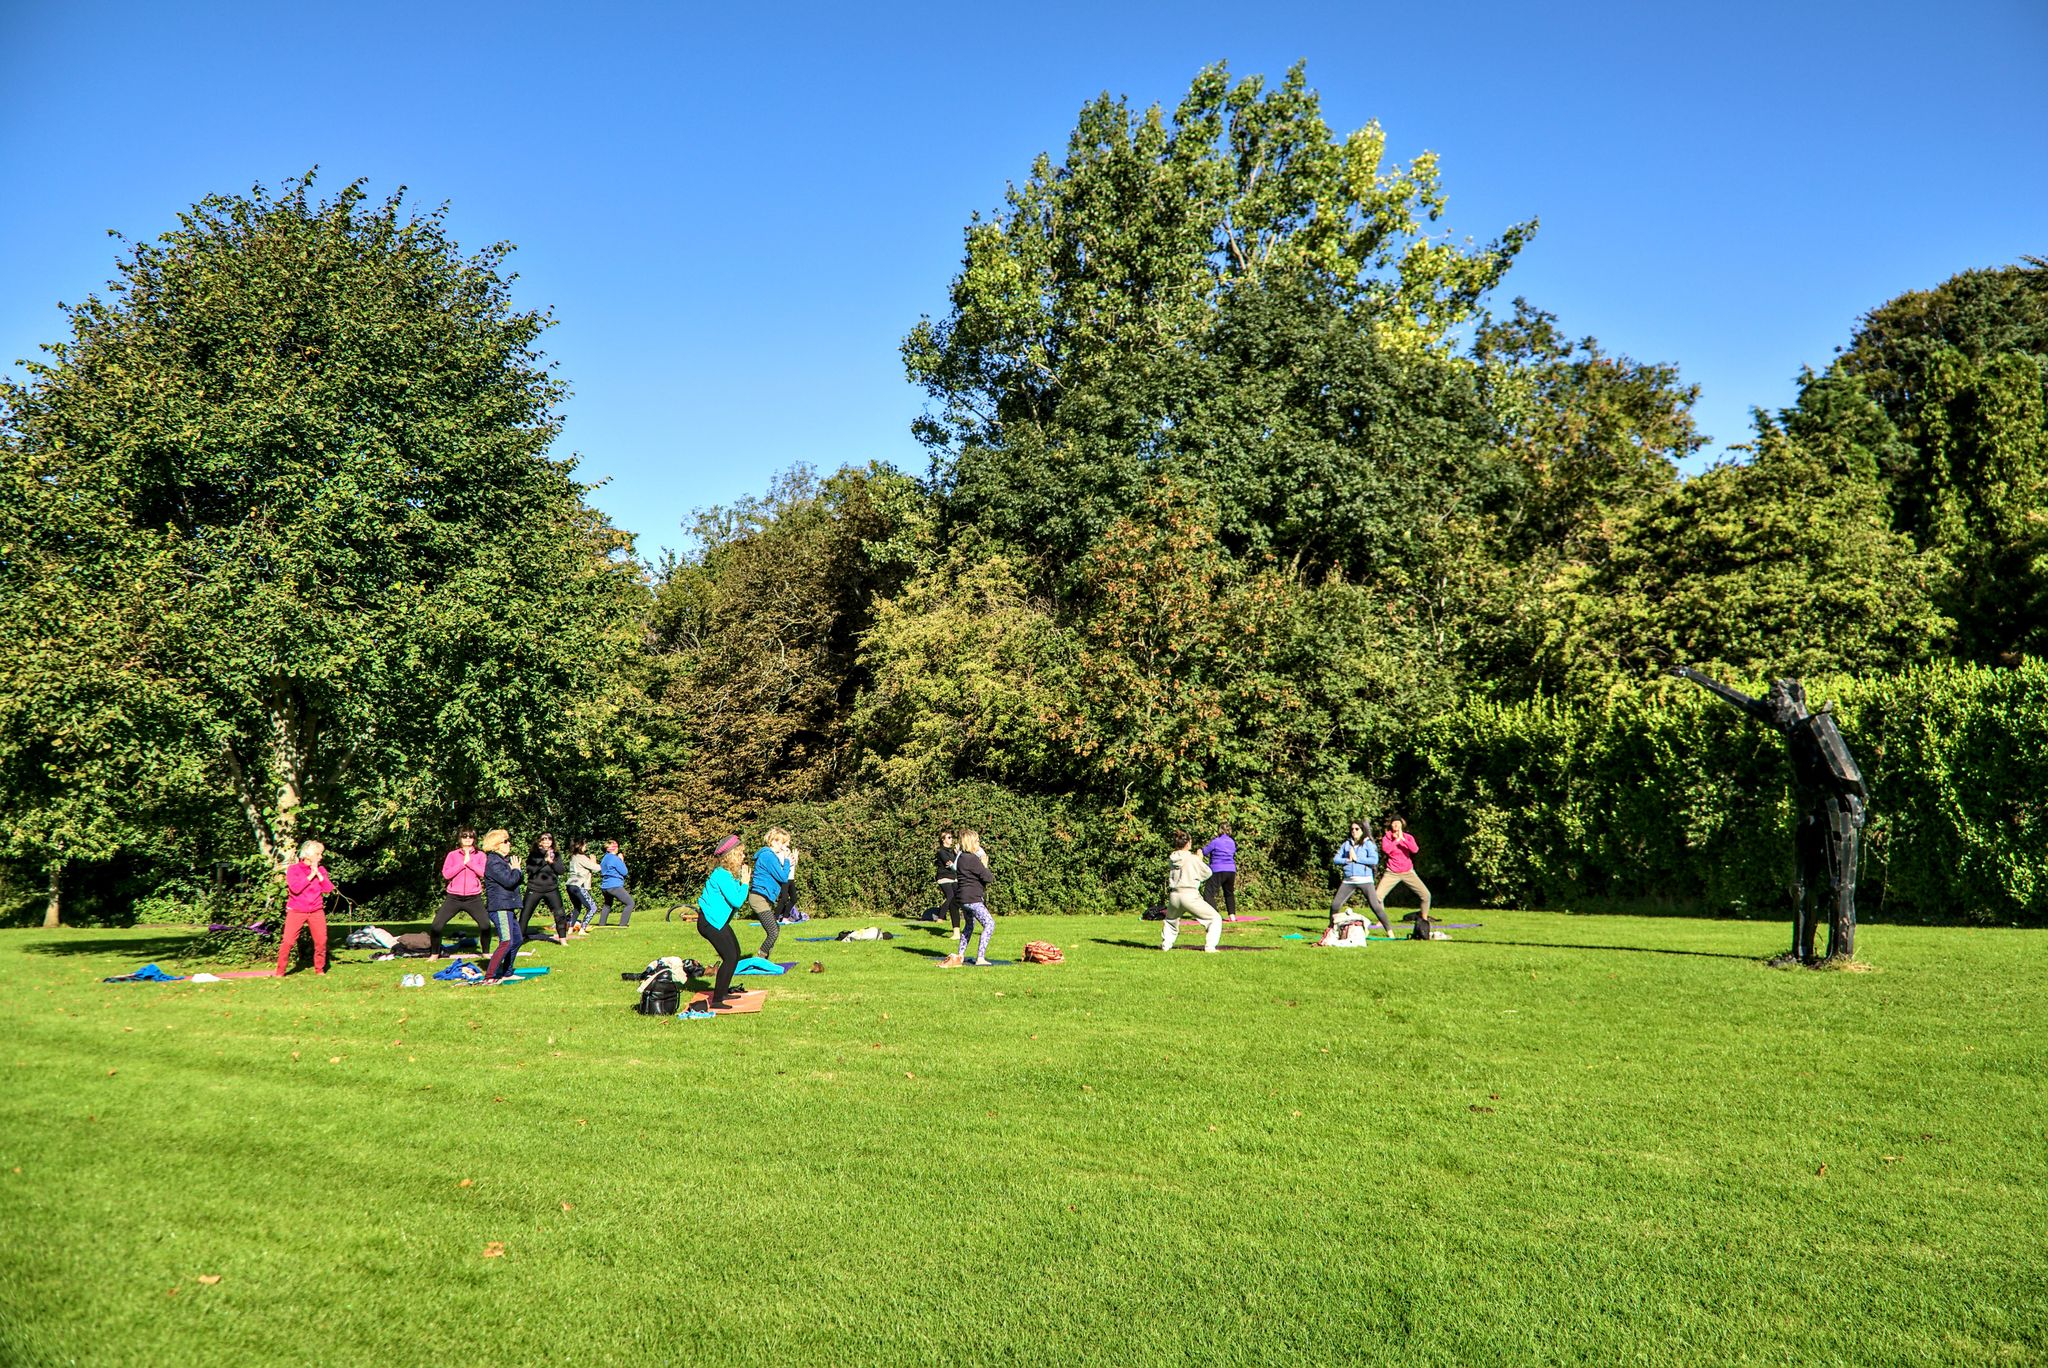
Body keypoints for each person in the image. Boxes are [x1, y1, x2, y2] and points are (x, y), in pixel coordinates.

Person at [693, 835, 752, 1005]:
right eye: (740, 854)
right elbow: (738, 900)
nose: (743, 857)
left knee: (735, 954)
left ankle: (723, 992)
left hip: (718, 921)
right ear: (731, 856)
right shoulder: (722, 875)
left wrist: (741, 880)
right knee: (730, 957)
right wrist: (745, 882)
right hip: (710, 922)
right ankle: (718, 999)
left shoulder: (728, 875)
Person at [276, 839, 335, 976]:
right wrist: (311, 875)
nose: (321, 857)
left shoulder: (321, 869)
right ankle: (280, 971)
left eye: (321, 854)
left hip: (316, 910)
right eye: (318, 854)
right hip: (296, 910)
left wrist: (318, 874)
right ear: (308, 855)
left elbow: (327, 888)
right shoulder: (293, 869)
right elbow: (295, 888)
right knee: (288, 941)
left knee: (321, 941)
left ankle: (319, 969)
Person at [432, 828, 490, 957]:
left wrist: (470, 862)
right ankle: (434, 954)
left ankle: (485, 952)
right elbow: (446, 874)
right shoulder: (452, 855)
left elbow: (483, 873)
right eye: (465, 837)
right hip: (454, 898)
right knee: (436, 925)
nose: (468, 839)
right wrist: (462, 864)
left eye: (470, 837)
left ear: (474, 839)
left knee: (485, 925)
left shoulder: (480, 855)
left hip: (473, 898)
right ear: (460, 839)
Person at [1162, 830, 1222, 952]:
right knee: (1215, 919)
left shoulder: (1172, 858)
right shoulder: (1193, 859)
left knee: (1170, 921)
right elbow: (1208, 873)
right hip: (1189, 894)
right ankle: (1210, 947)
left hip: (1174, 895)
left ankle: (1165, 946)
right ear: (1188, 843)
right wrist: (1199, 859)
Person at [1331, 821, 1393, 937]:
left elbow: (1374, 860)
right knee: (1335, 905)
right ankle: (1331, 930)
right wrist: (1347, 860)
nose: (1354, 831)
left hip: (1365, 880)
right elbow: (1336, 859)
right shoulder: (1346, 844)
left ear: (1362, 831)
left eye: (1357, 829)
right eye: (1352, 829)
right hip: (1349, 880)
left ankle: (1390, 931)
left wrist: (1357, 859)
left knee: (1376, 906)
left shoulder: (1368, 844)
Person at [479, 828, 526, 983]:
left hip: (508, 906)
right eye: (505, 841)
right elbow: (509, 881)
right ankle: (490, 977)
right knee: (506, 941)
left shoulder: (502, 861)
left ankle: (508, 972)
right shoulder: (493, 862)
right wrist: (517, 870)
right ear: (496, 845)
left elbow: (516, 879)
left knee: (517, 939)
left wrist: (517, 872)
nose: (509, 844)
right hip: (500, 907)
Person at [943, 830, 996, 966]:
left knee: (969, 926)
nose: (979, 843)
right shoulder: (973, 859)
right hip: (973, 899)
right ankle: (980, 958)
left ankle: (960, 955)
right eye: (977, 841)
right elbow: (988, 877)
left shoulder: (960, 858)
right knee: (989, 924)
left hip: (962, 899)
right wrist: (985, 864)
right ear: (971, 842)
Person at [1376, 816, 1435, 937]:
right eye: (1394, 824)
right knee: (1377, 897)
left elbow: (1415, 849)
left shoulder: (1408, 837)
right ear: (1391, 825)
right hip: (1392, 872)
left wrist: (1403, 840)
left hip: (1408, 871)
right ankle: (1382, 920)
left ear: (1402, 825)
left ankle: (1423, 920)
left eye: (1398, 823)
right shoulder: (1387, 837)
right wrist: (1395, 841)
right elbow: (1386, 850)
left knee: (1426, 895)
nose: (1396, 826)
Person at [746, 827, 796, 960]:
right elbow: (783, 877)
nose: (783, 846)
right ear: (773, 841)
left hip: (762, 898)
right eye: (781, 842)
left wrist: (787, 863)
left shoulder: (768, 855)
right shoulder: (768, 855)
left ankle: (764, 960)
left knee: (773, 930)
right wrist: (786, 861)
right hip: (759, 898)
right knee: (773, 931)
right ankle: (761, 956)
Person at [521, 833, 567, 943]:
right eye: (544, 839)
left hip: (551, 889)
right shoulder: (534, 854)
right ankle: (519, 939)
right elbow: (530, 870)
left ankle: (563, 940)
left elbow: (561, 871)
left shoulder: (555, 854)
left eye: (549, 839)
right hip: (534, 888)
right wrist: (544, 861)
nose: (547, 841)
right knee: (525, 914)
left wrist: (552, 862)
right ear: (539, 841)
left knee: (560, 914)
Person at [1201, 823, 1240, 920]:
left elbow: (1205, 852)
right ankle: (1232, 916)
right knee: (1229, 893)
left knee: (1208, 893)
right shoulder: (1232, 842)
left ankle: (1215, 915)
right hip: (1231, 870)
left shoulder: (1216, 841)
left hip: (1218, 869)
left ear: (1220, 830)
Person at [564, 839, 600, 937]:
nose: (586, 847)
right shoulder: (582, 857)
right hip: (578, 885)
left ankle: (570, 929)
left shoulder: (573, 857)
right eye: (584, 845)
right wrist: (594, 861)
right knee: (592, 908)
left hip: (570, 885)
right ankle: (582, 929)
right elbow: (596, 868)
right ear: (580, 846)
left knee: (577, 908)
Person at [596, 838, 634, 926]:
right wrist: (621, 860)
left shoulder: (604, 858)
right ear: (614, 848)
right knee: (630, 903)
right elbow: (625, 872)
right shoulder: (615, 859)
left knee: (607, 905)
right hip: (614, 886)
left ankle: (601, 924)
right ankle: (623, 924)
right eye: (617, 846)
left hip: (605, 886)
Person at [934, 829, 961, 930]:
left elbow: (957, 863)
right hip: (943, 877)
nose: (951, 839)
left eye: (951, 837)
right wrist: (956, 857)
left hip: (953, 878)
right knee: (950, 896)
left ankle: (953, 916)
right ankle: (940, 917)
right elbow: (949, 863)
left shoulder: (953, 851)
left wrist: (957, 854)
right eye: (949, 837)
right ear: (943, 840)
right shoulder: (941, 851)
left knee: (956, 898)